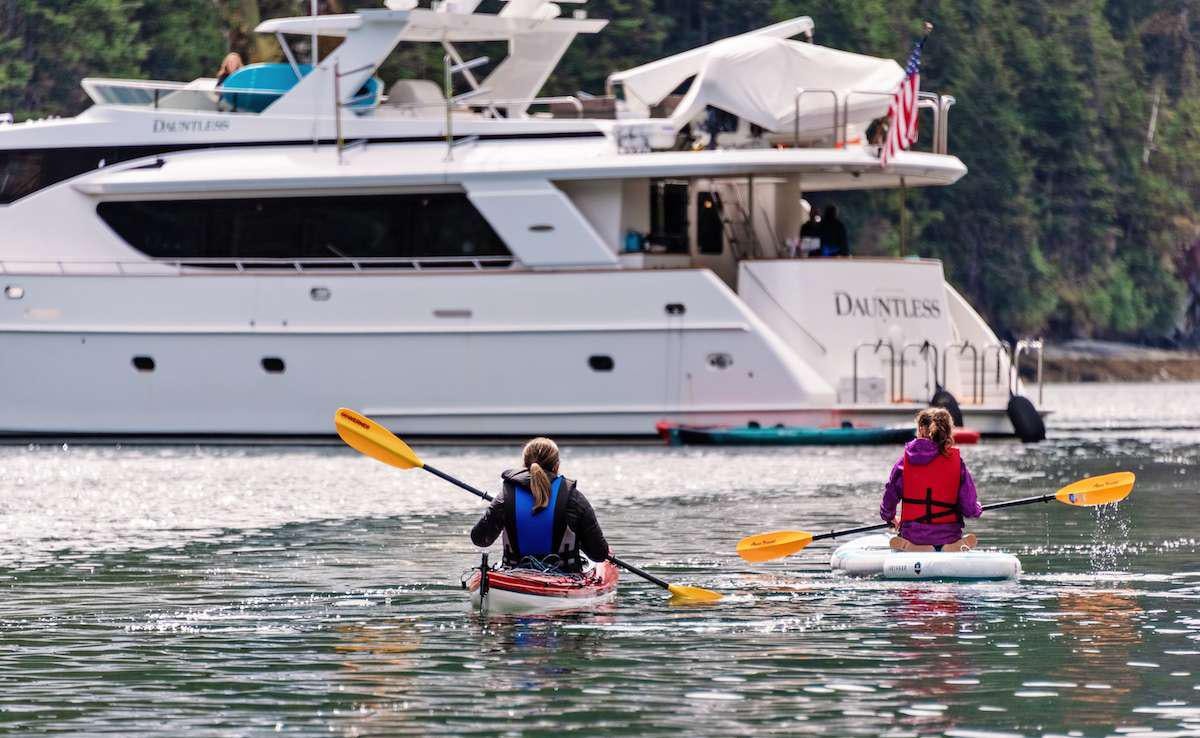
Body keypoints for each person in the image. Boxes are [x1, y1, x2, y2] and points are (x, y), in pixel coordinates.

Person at [470, 437, 609, 573]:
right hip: (563, 576)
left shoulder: (505, 496)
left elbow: (480, 539)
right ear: (556, 466)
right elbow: (599, 553)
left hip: (514, 573)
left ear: (525, 464)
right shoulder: (573, 497)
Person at [879, 408, 982, 552]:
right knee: (955, 538)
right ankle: (953, 546)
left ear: (921, 430)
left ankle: (910, 546)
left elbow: (888, 500)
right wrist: (977, 508)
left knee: (907, 538)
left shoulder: (904, 463)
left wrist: (889, 517)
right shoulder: (957, 464)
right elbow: (969, 509)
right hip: (949, 536)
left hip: (914, 535)